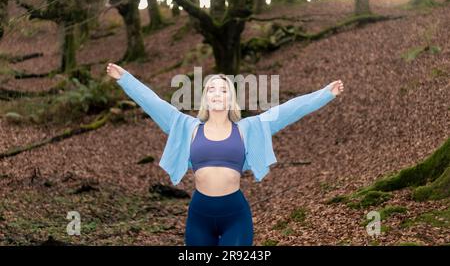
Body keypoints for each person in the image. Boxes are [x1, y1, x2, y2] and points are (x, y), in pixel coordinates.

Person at [106, 62, 344, 246]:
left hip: (235, 215)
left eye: (223, 90)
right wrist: (125, 79)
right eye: (211, 89)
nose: (217, 94)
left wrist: (325, 94)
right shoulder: (186, 126)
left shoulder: (248, 129)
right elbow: (152, 101)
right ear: (205, 98)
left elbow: (288, 110)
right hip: (199, 214)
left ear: (231, 98)